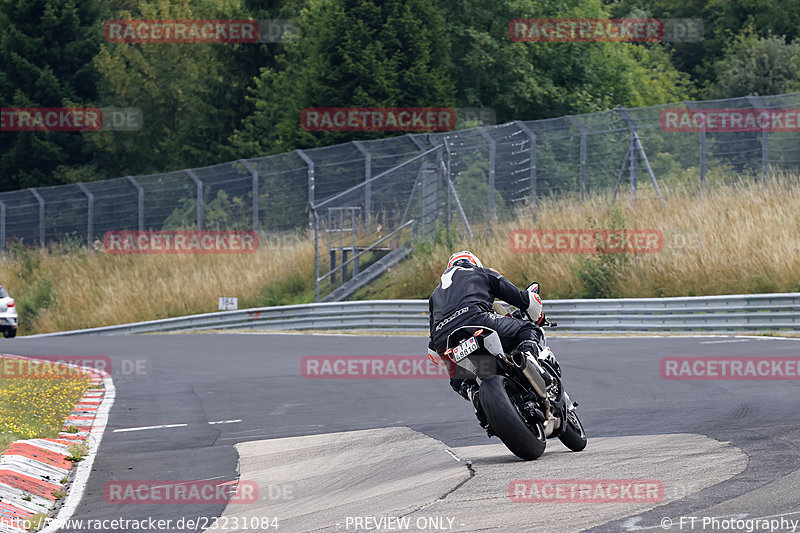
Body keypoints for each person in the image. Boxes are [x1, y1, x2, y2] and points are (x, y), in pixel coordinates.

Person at [427, 250, 548, 429]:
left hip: (444, 340)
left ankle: (473, 393)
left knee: (457, 375)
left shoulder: (435, 295)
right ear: (474, 263)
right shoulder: (483, 273)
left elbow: (432, 350)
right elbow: (522, 299)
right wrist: (537, 317)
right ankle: (529, 359)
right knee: (529, 329)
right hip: (477, 322)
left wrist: (444, 353)